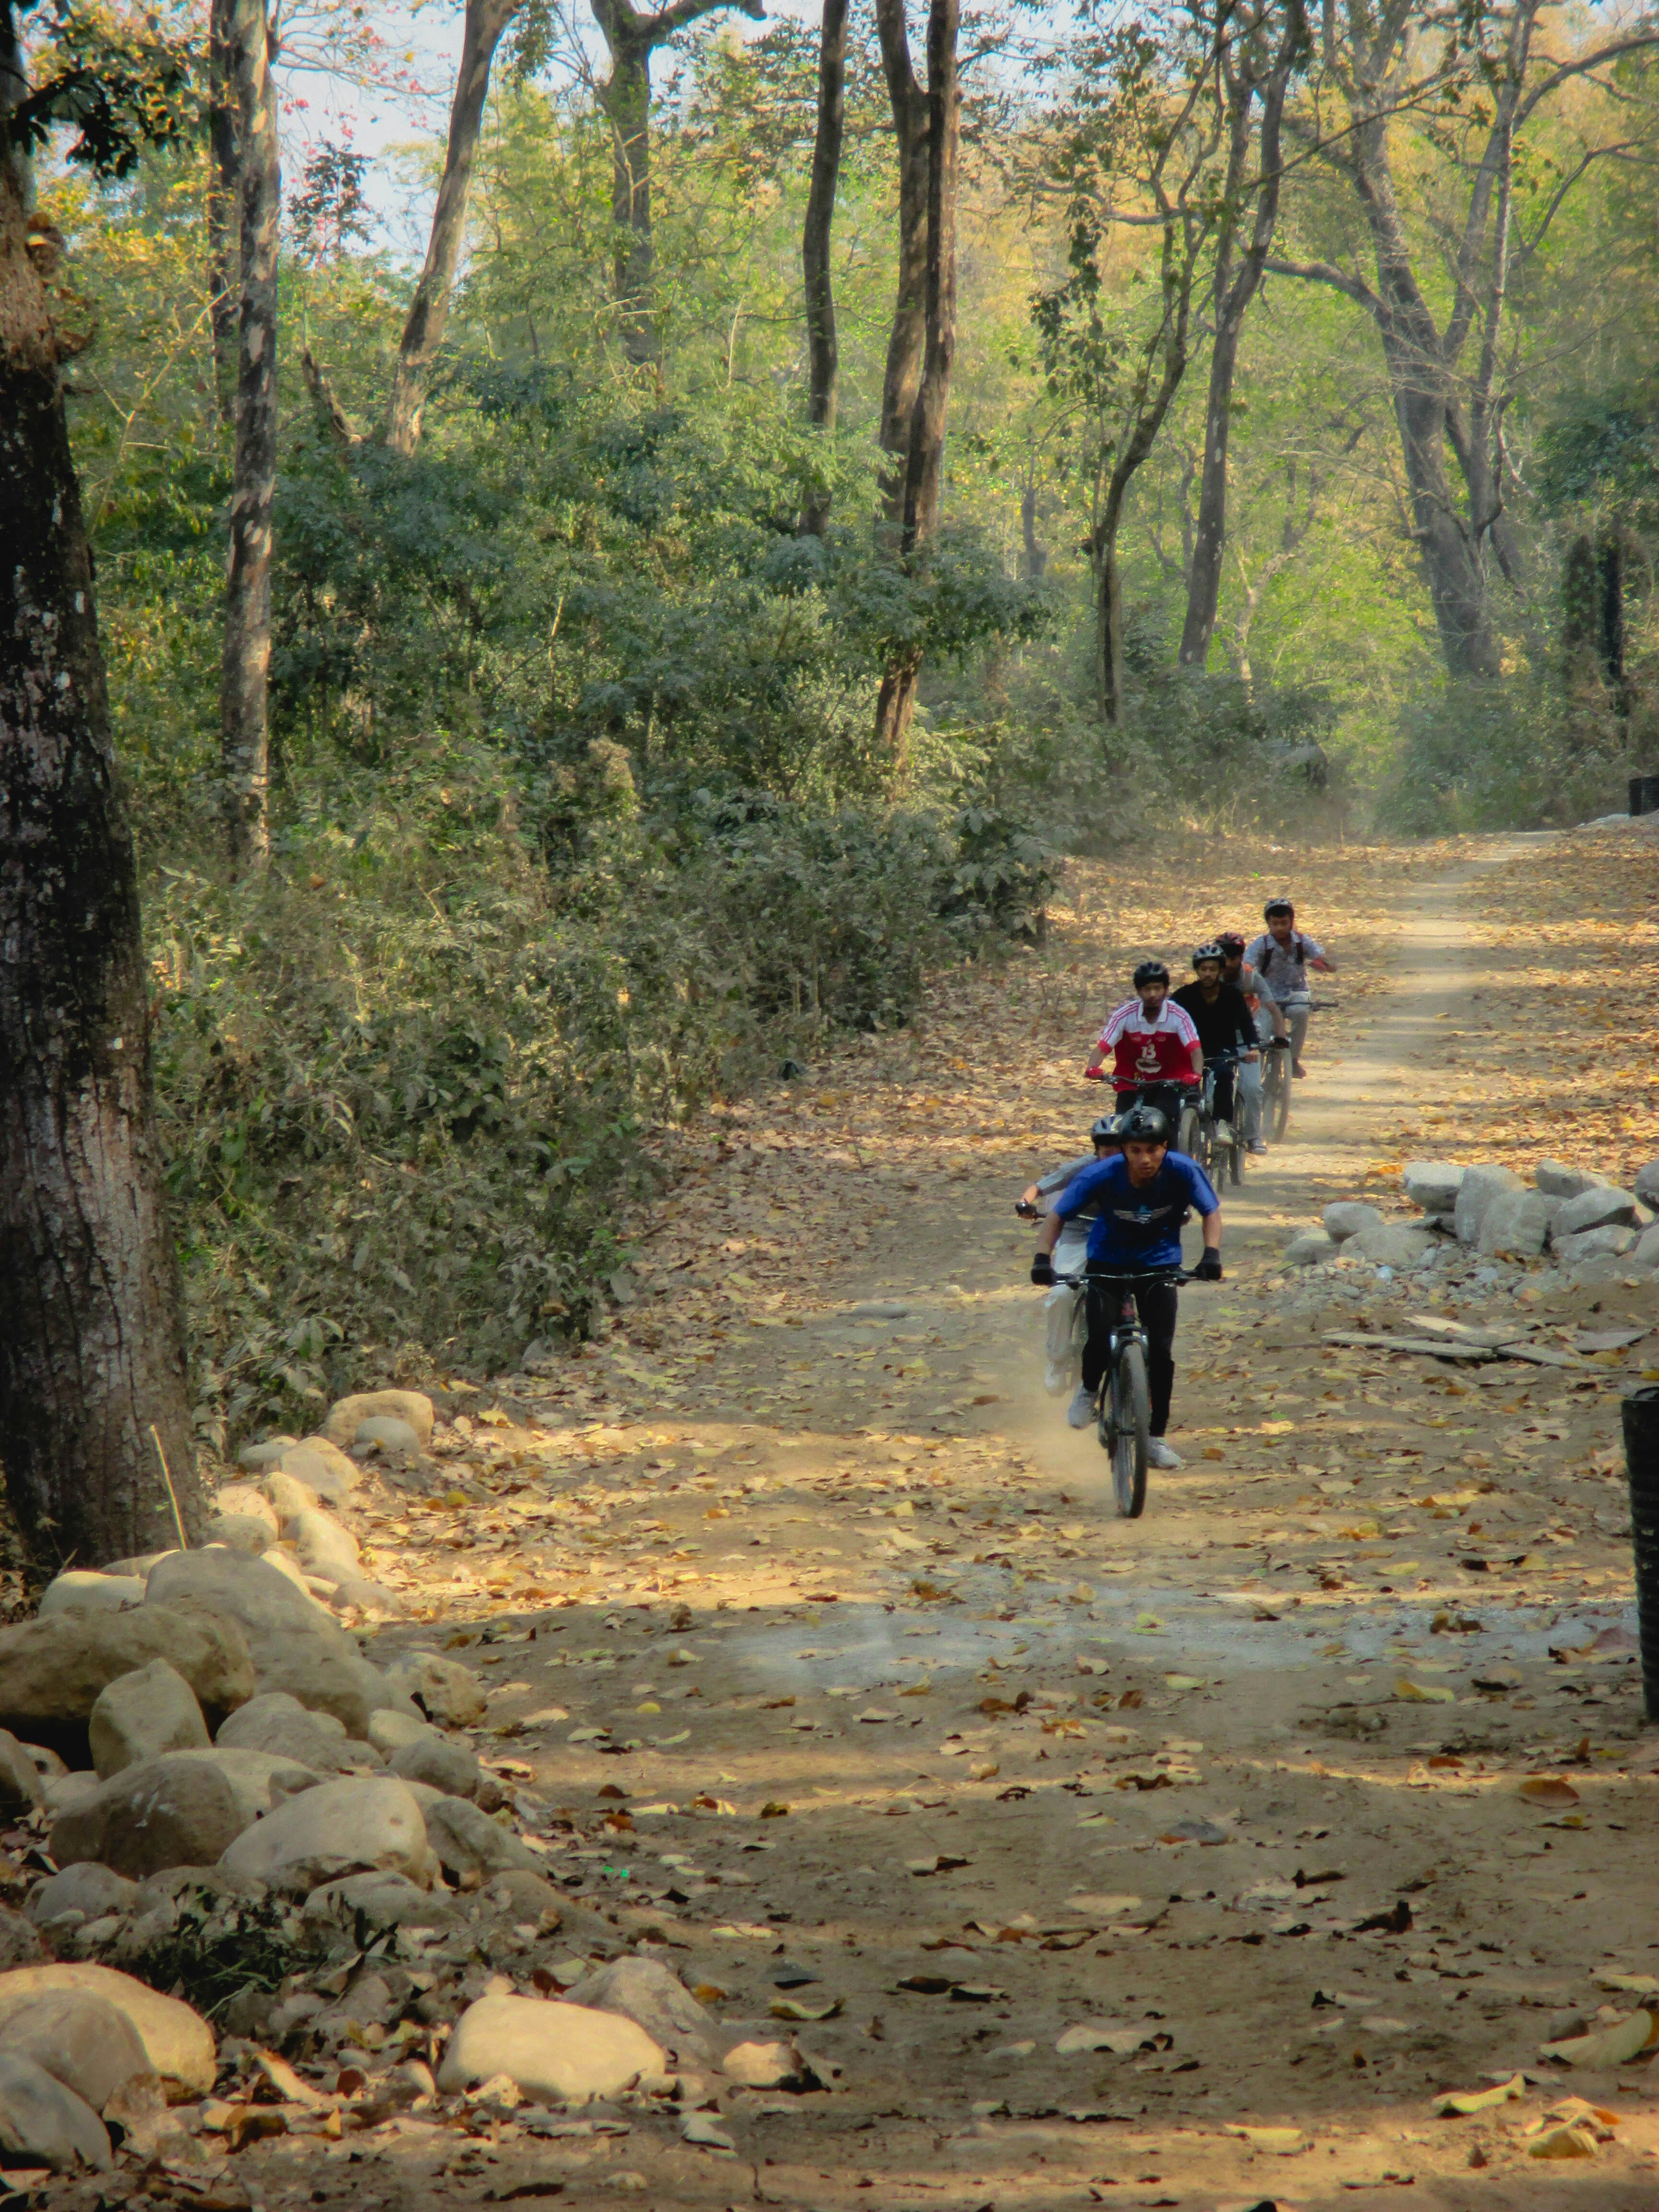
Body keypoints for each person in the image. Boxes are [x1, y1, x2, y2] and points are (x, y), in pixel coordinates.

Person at [1029, 1103, 1222, 1460]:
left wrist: (1211, 1254)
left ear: (1166, 1147)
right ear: (1124, 1150)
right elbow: (1056, 1217)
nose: (1145, 1159)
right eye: (1135, 1150)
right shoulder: (1100, 1175)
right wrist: (1042, 1259)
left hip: (1160, 1265)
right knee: (1099, 1338)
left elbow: (1211, 1212)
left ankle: (1156, 1438)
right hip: (1108, 1263)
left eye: (1153, 1150)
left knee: (1162, 1354)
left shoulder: (1184, 1171)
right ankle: (1088, 1390)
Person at [1017, 1116, 1121, 1394]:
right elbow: (1041, 1186)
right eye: (1103, 1145)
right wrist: (1025, 1203)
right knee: (1062, 1294)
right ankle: (1058, 1360)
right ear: (1095, 1148)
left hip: (1118, 1239)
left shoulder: (1138, 1169)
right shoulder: (1084, 1169)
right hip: (1076, 1236)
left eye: (1116, 1144)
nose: (1109, 1150)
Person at [1082, 960, 1202, 1127]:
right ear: (1139, 991)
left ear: (1166, 989)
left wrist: (1196, 1074)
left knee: (1165, 1122)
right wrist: (1092, 1068)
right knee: (1122, 1126)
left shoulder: (1179, 1016)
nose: (1153, 994)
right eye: (1147, 989)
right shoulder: (1124, 1016)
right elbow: (1103, 1047)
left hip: (1170, 1083)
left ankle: (1171, 1153)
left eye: (1158, 988)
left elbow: (1195, 1049)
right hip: (1132, 1082)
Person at [1171, 943, 1258, 1138]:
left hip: (1223, 1049)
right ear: (1197, 971)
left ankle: (1223, 1123)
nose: (1208, 974)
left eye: (1213, 969)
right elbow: (1168, 1019)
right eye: (1203, 970)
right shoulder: (1183, 996)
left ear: (1220, 970)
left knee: (1224, 1074)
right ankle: (1182, 1127)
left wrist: (1253, 1047)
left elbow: (1246, 1024)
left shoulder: (1232, 996)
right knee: (1177, 1084)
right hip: (1191, 1051)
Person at [1244, 899, 1336, 1079]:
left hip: (1297, 992)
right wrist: (1247, 981)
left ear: (1291, 922)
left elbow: (1322, 957)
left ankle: (1293, 1059)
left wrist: (1326, 964)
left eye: (1284, 923)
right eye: (1275, 924)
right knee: (1264, 1032)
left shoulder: (1302, 941)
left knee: (1301, 1012)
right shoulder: (1261, 944)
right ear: (1268, 923)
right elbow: (1248, 963)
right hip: (1269, 995)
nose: (1280, 928)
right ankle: (1258, 1068)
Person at [1216, 931, 1287, 1154]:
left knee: (1252, 1087)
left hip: (1249, 1037)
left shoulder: (1252, 978)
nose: (1229, 962)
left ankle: (1254, 1136)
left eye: (1234, 956)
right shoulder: (1211, 978)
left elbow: (1273, 1008)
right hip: (1220, 1036)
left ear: (1242, 956)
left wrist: (1281, 1035)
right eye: (1225, 956)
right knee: (1211, 1087)